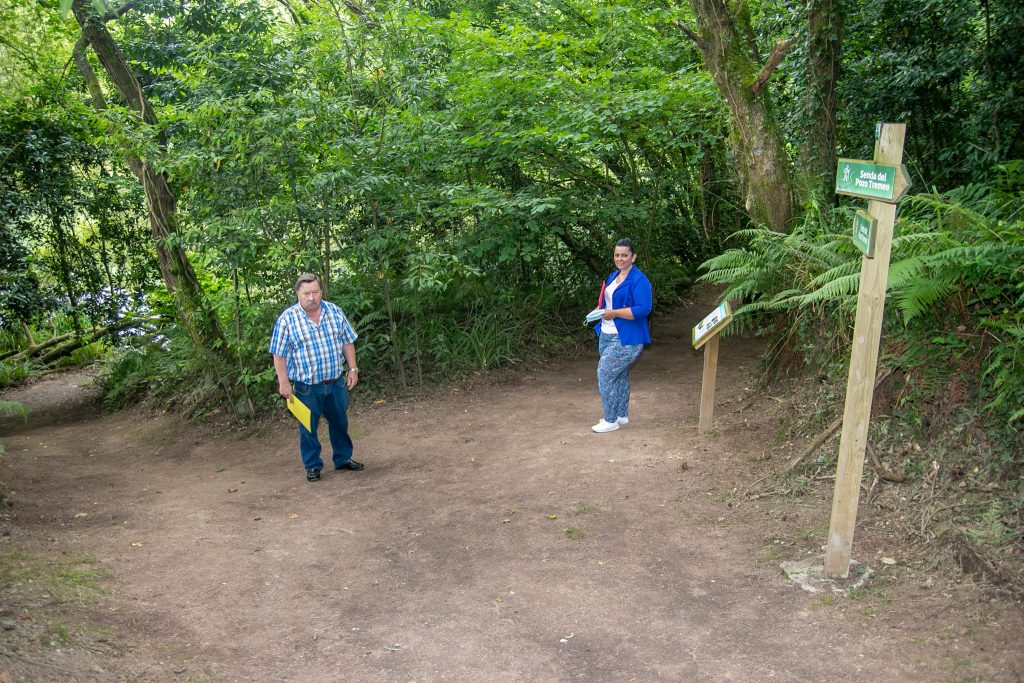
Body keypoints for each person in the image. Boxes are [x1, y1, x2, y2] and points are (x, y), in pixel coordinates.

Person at [270, 273, 364, 481]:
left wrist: (353, 369)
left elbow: (347, 341)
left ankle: (343, 458)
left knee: (340, 422)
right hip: (306, 387)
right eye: (306, 293)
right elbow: (279, 354)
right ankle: (313, 466)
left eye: (315, 292)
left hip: (336, 382)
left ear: (321, 292)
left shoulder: (335, 312)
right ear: (298, 295)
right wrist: (284, 383)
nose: (311, 297)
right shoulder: (287, 319)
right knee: (307, 427)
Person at [592, 238, 653, 433]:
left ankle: (610, 421)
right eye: (617, 255)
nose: (620, 259)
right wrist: (599, 310)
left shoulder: (639, 280)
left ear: (633, 257)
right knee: (619, 375)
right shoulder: (613, 275)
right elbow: (607, 302)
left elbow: (644, 309)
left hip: (628, 337)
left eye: (625, 255)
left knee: (605, 373)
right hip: (606, 332)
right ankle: (620, 415)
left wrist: (616, 313)